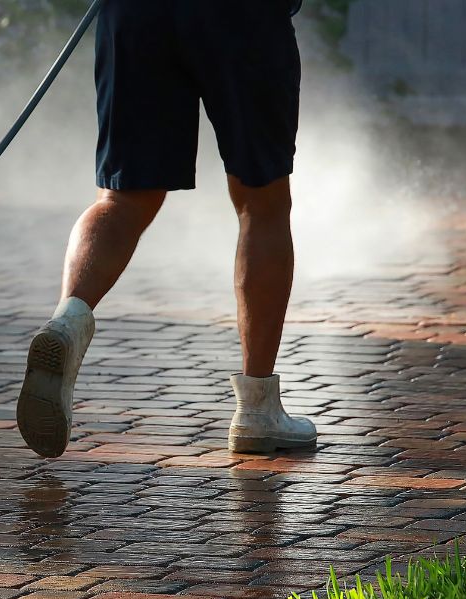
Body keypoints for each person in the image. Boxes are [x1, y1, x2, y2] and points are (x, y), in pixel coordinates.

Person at [17, 0, 316, 458]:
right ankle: (258, 409)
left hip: (138, 13)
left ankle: (68, 321)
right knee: (263, 202)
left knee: (121, 200)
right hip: (242, 17)